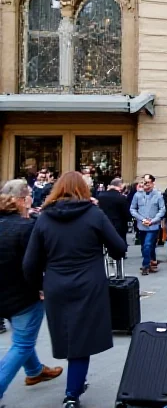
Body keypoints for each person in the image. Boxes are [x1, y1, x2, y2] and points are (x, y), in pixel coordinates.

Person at [22, 171, 127, 408]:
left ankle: (76, 384)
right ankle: (72, 393)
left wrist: (39, 286)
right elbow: (119, 248)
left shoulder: (45, 218)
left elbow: (30, 263)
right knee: (83, 337)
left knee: (68, 335)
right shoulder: (93, 214)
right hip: (89, 282)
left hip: (56, 283)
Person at [0, 180, 63, 404]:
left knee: (21, 337)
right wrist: (40, 287)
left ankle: (35, 371)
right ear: (22, 200)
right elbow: (33, 263)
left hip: (4, 292)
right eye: (28, 197)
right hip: (22, 294)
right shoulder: (25, 227)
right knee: (22, 343)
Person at [129, 174, 165, 275]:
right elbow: (132, 209)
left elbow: (162, 209)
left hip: (153, 225)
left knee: (147, 245)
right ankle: (152, 261)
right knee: (148, 246)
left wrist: (153, 220)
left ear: (153, 183)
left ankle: (145, 266)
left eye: (148, 183)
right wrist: (142, 219)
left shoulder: (158, 195)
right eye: (144, 182)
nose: (146, 185)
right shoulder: (138, 195)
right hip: (142, 225)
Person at [96, 178, 131, 243]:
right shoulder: (121, 197)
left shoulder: (101, 195)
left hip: (104, 225)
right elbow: (126, 213)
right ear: (120, 185)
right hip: (119, 226)